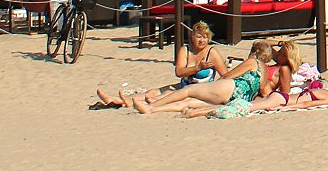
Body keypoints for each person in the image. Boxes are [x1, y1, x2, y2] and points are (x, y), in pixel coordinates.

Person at [94, 19, 225, 108]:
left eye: (205, 37)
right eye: (199, 37)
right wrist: (197, 68)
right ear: (192, 37)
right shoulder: (185, 50)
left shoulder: (212, 53)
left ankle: (131, 103)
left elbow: (225, 75)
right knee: (152, 92)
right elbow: (179, 72)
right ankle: (117, 100)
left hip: (199, 90)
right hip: (184, 85)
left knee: (166, 94)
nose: (202, 40)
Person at [136, 40, 271, 116]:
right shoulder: (265, 71)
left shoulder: (253, 62)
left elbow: (228, 76)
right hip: (240, 98)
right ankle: (152, 110)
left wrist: (214, 85)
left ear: (254, 52)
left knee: (189, 90)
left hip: (231, 88)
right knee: (190, 102)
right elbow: (265, 93)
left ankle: (152, 105)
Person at [246, 40, 298, 110]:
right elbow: (261, 44)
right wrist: (280, 43)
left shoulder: (284, 68)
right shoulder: (278, 63)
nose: (277, 53)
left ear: (286, 57)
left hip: (260, 92)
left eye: (280, 52)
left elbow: (285, 92)